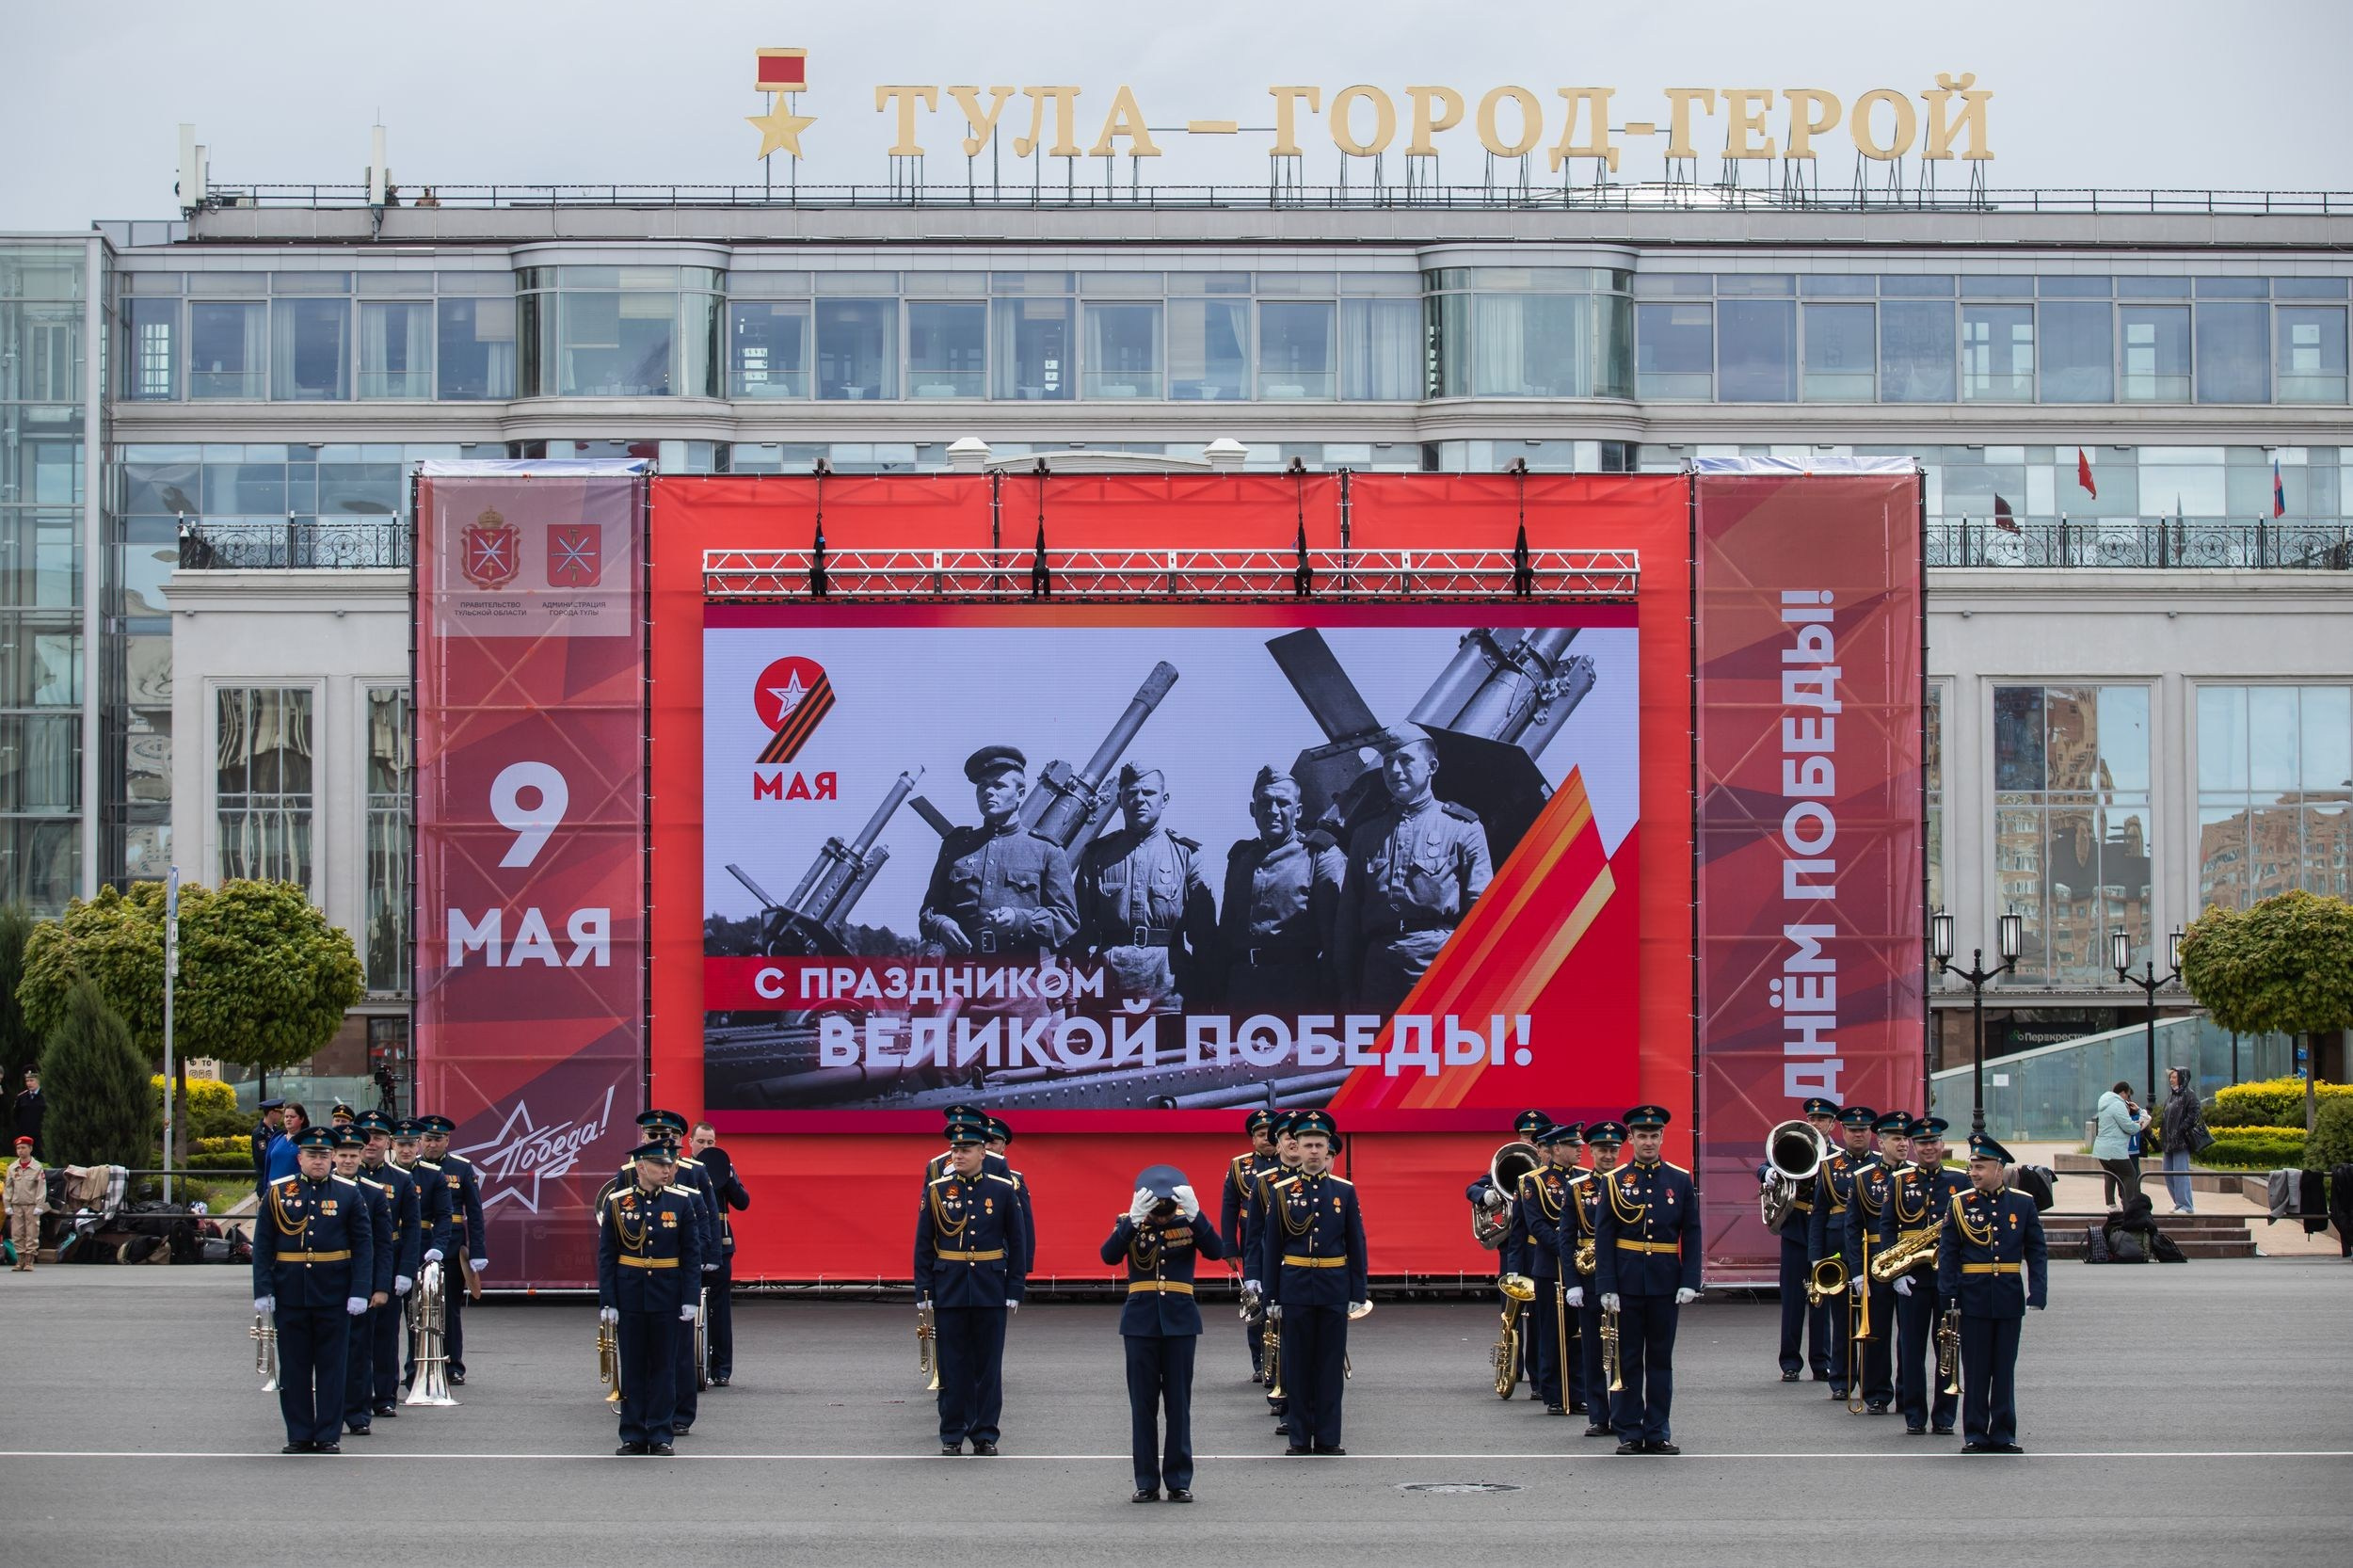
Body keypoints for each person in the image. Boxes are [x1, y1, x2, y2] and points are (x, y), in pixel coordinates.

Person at [1332, 728, 1494, 1014]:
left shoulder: (1462, 827)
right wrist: (1345, 984)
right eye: (1388, 762)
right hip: (1377, 972)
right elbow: (1348, 915)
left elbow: (1483, 912)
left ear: (1431, 767)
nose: (1394, 770)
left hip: (1437, 966)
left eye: (1405, 760)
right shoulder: (1366, 833)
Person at [1102, 1162, 1221, 1502]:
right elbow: (1109, 1256)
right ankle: (1146, 1481)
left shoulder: (1189, 1223)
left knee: (1178, 1405)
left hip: (1180, 1323)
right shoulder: (1131, 1222)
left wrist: (1198, 1217)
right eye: (1157, 1208)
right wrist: (1132, 1222)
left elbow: (1217, 1250)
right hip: (1140, 1324)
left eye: (1166, 1208)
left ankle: (1179, 1480)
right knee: (1143, 1406)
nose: (1163, 1214)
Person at [253, 1126, 375, 1454]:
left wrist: (360, 1290)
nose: (318, 1161)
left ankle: (328, 1435)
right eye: (312, 1155)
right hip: (291, 1291)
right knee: (294, 1368)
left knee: (332, 1368)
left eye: (323, 1155)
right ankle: (299, 1433)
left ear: (333, 1158)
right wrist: (263, 1289)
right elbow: (263, 1245)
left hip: (334, 1293)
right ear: (300, 1158)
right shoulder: (279, 1192)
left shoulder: (349, 1193)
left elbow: (363, 1246)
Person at [916, 1119, 1030, 1455]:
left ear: (983, 1152)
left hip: (990, 1286)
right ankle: (952, 1432)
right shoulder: (937, 1189)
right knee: (952, 1364)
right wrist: (924, 1289)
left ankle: (985, 1433)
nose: (957, 1155)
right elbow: (924, 1243)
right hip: (949, 1285)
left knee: (988, 1365)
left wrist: (1015, 1287)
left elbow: (1017, 1241)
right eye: (954, 1149)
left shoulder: (1003, 1189)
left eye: (964, 1149)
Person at [1593, 1104, 1701, 1455]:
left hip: (1665, 1280)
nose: (1649, 1142)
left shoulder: (1679, 1179)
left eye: (1654, 1136)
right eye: (1642, 1136)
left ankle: (1657, 1431)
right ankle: (1629, 1432)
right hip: (1626, 1281)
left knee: (1660, 1360)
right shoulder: (1614, 1181)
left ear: (1662, 1137)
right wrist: (1606, 1285)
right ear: (1632, 1139)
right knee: (1627, 1360)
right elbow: (1604, 1237)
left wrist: (1690, 1278)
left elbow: (1692, 1232)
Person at [918, 745, 1080, 977]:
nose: (988, 792)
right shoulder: (955, 847)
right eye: (982, 787)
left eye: (999, 785)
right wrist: (941, 925)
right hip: (959, 983)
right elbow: (928, 913)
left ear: (1020, 794)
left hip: (1020, 985)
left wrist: (1019, 920)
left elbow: (1066, 920)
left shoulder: (1046, 850)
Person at [1259, 1110, 1367, 1456]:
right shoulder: (1280, 1191)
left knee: (1330, 1366)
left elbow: (1356, 1244)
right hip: (1295, 1286)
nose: (1314, 1151)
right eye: (1308, 1145)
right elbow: (1272, 1245)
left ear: (1328, 1150)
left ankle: (1329, 1438)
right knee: (1298, 1365)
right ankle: (1299, 1439)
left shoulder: (1344, 1192)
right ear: (1297, 1148)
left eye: (1320, 1145)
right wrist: (1271, 1294)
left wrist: (1357, 1292)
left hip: (1333, 1286)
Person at [1073, 764, 1217, 1015]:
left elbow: (1205, 939)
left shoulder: (1187, 855)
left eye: (1149, 793)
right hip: (1108, 995)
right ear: (1119, 800)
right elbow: (1078, 935)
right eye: (1131, 793)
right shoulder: (1097, 856)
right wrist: (1073, 999)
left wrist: (1206, 1000)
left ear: (1165, 799)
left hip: (1170, 995)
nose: (1139, 799)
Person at [1936, 1135, 2048, 1454]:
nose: (1973, 1172)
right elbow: (1949, 1252)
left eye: (1980, 1167)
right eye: (1971, 1166)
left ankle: (2003, 1432)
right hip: (1972, 1297)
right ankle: (1974, 1432)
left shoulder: (2022, 1202)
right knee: (1976, 1368)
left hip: (2009, 1296)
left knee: (2003, 1368)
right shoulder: (1960, 1203)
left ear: (1999, 1168)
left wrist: (2037, 1290)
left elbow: (2036, 1250)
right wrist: (1948, 1295)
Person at [597, 1140, 704, 1456]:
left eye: (669, 1165)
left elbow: (690, 1252)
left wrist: (690, 1297)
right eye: (660, 1165)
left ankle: (660, 1434)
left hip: (668, 1294)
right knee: (632, 1366)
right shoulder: (618, 1203)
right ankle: (632, 1433)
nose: (668, 1170)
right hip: (630, 1294)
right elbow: (607, 1256)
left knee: (664, 1367)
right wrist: (608, 1301)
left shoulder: (682, 1203)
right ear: (641, 1167)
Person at [1213, 766, 1345, 1013]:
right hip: (1242, 991)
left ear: (1298, 811)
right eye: (1264, 803)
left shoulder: (1319, 855)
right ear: (1253, 810)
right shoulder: (1240, 858)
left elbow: (1335, 938)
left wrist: (1331, 997)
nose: (1272, 811)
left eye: (1282, 803)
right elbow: (1226, 932)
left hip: (1298, 990)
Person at [1881, 1116, 1967, 1436]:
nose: (1929, 1147)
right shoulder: (1900, 1181)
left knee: (1947, 1348)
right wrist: (1895, 1272)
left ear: (1942, 1145)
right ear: (1914, 1147)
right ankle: (1915, 1415)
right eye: (1923, 1143)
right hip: (1912, 1276)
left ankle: (1944, 1416)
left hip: (1947, 1277)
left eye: (1934, 1142)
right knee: (1911, 1349)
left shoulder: (1960, 1181)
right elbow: (1888, 1228)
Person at [1757, 1095, 1842, 1384]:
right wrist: (1767, 1172)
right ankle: (1790, 1363)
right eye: (1813, 1118)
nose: (1816, 1123)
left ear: (1832, 1124)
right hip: (1795, 1229)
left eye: (1822, 1119)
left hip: (1826, 1232)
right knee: (1793, 1300)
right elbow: (1767, 1163)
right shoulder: (1795, 1142)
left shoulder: (1838, 1156)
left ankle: (1822, 1362)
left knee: (1823, 1299)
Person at [354, 1112, 422, 1420]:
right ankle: (355, 1394)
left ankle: (384, 1396)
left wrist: (406, 1270)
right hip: (352, 1265)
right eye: (366, 1137)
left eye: (378, 1137)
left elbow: (411, 1229)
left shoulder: (401, 1179)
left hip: (388, 1263)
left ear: (388, 1142)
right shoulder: (342, 1177)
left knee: (385, 1335)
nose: (372, 1143)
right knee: (354, 1337)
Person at [1241, 1111, 1307, 1426]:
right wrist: (1253, 1274)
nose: (1293, 1143)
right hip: (1274, 1270)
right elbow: (1253, 1234)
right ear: (1278, 1144)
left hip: (1310, 1271)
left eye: (1298, 1138)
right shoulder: (1264, 1183)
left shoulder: (1318, 1179)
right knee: (1277, 1335)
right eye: (1287, 1138)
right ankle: (1282, 1399)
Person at [1842, 1112, 1911, 1416]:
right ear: (1880, 1142)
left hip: (1910, 1261)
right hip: (1877, 1262)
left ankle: (1908, 1392)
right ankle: (1877, 1393)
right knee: (1877, 1331)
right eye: (1896, 1138)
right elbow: (1853, 1228)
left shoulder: (1915, 1176)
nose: (1903, 1144)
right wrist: (1857, 1271)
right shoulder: (1864, 1179)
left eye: (1905, 1138)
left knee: (1910, 1333)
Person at [1808, 1105, 1877, 1402]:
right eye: (1852, 1130)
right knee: (1843, 1318)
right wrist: (1815, 1256)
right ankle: (1841, 1380)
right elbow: (1819, 1214)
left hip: (1871, 1246)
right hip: (1836, 1248)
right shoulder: (1829, 1166)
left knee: (1874, 1320)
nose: (1857, 1134)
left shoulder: (1879, 1166)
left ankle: (1873, 1382)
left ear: (1870, 1133)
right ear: (1844, 1132)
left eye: (1862, 1130)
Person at [329, 1128, 394, 1438]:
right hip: (325, 1283)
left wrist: (380, 1286)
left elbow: (383, 1244)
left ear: (360, 1157)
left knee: (358, 1352)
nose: (347, 1160)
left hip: (361, 1283)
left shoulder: (372, 1192)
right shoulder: (317, 1190)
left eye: (353, 1155)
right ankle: (329, 1411)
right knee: (327, 1354)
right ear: (333, 1157)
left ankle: (357, 1413)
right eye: (342, 1155)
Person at [415, 1114, 488, 1384]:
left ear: (447, 1140)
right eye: (428, 1139)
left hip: (452, 1246)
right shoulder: (410, 1168)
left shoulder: (462, 1168)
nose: (432, 1145)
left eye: (438, 1139)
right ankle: (417, 1362)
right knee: (416, 1308)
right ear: (421, 1141)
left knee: (450, 1308)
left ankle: (453, 1364)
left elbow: (476, 1213)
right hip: (419, 1244)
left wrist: (478, 1250)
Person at [1513, 1122, 1578, 1416]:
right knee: (1550, 1332)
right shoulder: (1533, 1181)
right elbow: (1537, 1224)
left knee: (1579, 1334)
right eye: (1573, 1145)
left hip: (1581, 1266)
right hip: (1551, 1265)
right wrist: (1568, 1251)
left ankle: (1579, 1392)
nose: (1580, 1149)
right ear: (1556, 1150)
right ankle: (1552, 1392)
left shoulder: (1586, 1179)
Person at [1564, 1120, 1623, 1438]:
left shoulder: (1631, 1183)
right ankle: (1599, 1415)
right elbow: (1566, 1237)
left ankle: (1624, 1412)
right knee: (1592, 1347)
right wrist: (1572, 1281)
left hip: (1624, 1273)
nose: (1608, 1155)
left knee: (1624, 1348)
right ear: (1591, 1151)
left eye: (1613, 1149)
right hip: (1588, 1274)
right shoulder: (1579, 1187)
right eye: (1602, 1149)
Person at [690, 1120, 752, 1386]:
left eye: (710, 1142)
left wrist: (728, 1179)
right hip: (690, 1244)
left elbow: (743, 1203)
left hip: (721, 1242)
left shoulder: (724, 1166)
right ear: (690, 1143)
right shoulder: (682, 1170)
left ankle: (721, 1370)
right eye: (701, 1141)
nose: (706, 1146)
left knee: (720, 1309)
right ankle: (690, 1366)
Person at [393, 1118, 454, 1388]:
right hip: (389, 1250)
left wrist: (438, 1248)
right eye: (401, 1144)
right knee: (383, 1324)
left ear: (418, 1145)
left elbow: (444, 1216)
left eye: (410, 1144)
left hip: (421, 1250)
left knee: (417, 1320)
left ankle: (413, 1375)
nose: (406, 1150)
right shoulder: (382, 1176)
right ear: (392, 1145)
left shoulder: (432, 1175)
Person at [1220, 1110, 1279, 1383]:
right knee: (1255, 1301)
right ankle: (1260, 1363)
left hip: (1288, 1239)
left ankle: (1282, 1361)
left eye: (1270, 1134)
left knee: (1281, 1300)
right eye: (1259, 1134)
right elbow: (1229, 1208)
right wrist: (1230, 1248)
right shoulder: (1239, 1166)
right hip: (1254, 1243)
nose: (1266, 1138)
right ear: (1252, 1139)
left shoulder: (1292, 1162)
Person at [984, 1116, 1036, 1276]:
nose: (988, 1147)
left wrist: (1024, 1264)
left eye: (993, 1143)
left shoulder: (1014, 1181)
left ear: (1003, 1146)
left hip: (1000, 1257)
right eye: (984, 1142)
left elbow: (1025, 1226)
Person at [2092, 1081, 2150, 1208]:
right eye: (2128, 1096)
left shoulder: (2105, 1102)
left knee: (2110, 1175)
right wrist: (2139, 1125)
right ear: (2123, 1092)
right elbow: (2128, 1126)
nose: (2128, 1099)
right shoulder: (2118, 1104)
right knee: (2130, 1174)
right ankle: (2129, 1206)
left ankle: (2111, 1205)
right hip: (2114, 1149)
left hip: (2102, 1149)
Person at [2160, 1067, 2206, 1215]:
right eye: (2171, 1077)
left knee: (2180, 1173)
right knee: (2167, 1172)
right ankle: (2178, 1203)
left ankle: (2186, 1205)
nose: (2171, 1080)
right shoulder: (2172, 1096)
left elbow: (2195, 1113)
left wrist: (2181, 1129)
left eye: (2174, 1077)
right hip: (2169, 1142)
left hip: (2181, 1142)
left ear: (2182, 1078)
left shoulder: (2189, 1095)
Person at [7, 1135, 43, 1271]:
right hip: (16, 1204)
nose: (20, 1151)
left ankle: (29, 1260)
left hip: (31, 1204)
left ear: (30, 1148)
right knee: (17, 1232)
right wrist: (7, 1205)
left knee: (32, 1232)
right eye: (18, 1148)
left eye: (23, 1148)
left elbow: (41, 1187)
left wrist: (39, 1205)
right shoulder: (13, 1167)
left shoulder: (37, 1167)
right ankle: (20, 1260)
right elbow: (8, 1187)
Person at [249, 1098, 287, 1201]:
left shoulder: (276, 1131)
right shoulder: (260, 1134)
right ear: (271, 1113)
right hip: (266, 1179)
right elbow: (262, 1158)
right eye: (280, 1113)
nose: (281, 1116)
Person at [263, 1104, 309, 1186]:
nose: (288, 1119)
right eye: (286, 1117)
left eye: (292, 1117)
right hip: (273, 1190)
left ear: (301, 1119)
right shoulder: (276, 1139)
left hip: (294, 1191)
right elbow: (268, 1167)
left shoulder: (306, 1141)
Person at [10, 1068, 42, 1158]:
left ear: (39, 1081)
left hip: (41, 1135)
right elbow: (16, 1115)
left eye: (31, 1080)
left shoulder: (45, 1095)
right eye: (27, 1081)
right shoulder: (21, 1097)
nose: (29, 1083)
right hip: (26, 1135)